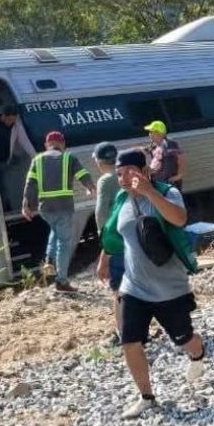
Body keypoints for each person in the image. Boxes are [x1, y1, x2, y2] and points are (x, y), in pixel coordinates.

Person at [96, 150, 207, 420]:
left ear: (144, 171)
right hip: (133, 286)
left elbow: (179, 219)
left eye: (129, 172)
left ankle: (198, 354)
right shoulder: (122, 199)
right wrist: (104, 260)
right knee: (129, 340)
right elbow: (114, 233)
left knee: (184, 339)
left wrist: (148, 192)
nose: (123, 178)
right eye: (119, 173)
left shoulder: (166, 192)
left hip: (169, 286)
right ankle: (147, 397)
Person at [22, 131, 96, 293]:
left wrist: (26, 205)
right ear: (62, 144)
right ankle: (61, 281)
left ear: (46, 145)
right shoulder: (69, 158)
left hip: (45, 208)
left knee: (55, 230)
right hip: (64, 206)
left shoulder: (37, 159)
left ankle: (49, 258)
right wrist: (90, 187)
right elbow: (83, 174)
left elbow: (30, 183)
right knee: (64, 243)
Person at [92, 142, 123, 340]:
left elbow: (102, 213)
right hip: (133, 236)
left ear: (99, 161)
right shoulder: (126, 174)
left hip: (117, 240)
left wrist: (104, 244)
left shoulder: (106, 180)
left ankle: (124, 333)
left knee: (120, 290)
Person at [144, 120, 186, 190]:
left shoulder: (169, 144)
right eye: (149, 132)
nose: (149, 134)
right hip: (158, 183)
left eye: (151, 132)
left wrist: (178, 176)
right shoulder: (153, 146)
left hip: (169, 185)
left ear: (159, 133)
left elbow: (182, 159)